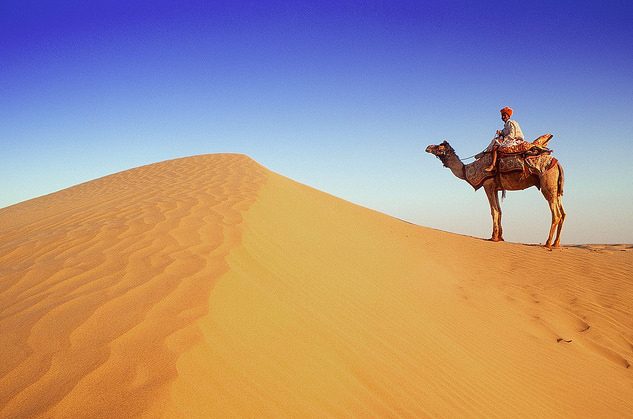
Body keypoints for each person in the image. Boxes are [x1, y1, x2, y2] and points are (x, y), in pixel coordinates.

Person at [484, 106, 526, 172]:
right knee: (496, 140)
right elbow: (504, 132)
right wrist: (500, 132)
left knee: (495, 147)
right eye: (502, 115)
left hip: (515, 140)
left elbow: (512, 134)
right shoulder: (506, 125)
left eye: (505, 115)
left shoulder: (511, 123)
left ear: (508, 116)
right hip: (511, 139)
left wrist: (503, 139)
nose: (503, 117)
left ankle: (493, 165)